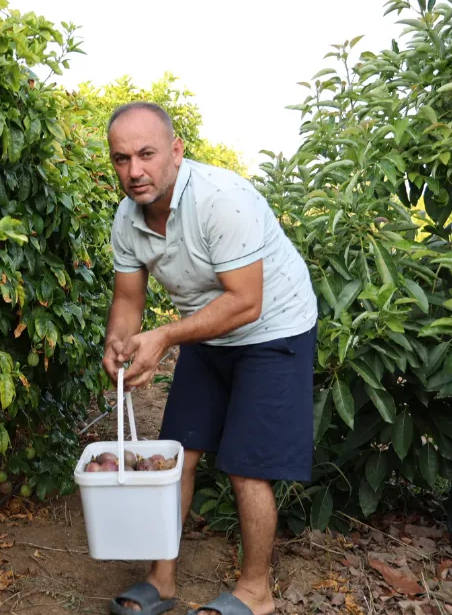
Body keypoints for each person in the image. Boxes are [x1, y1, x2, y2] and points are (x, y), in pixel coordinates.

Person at [102, 102, 318, 615]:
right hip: (209, 329)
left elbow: (246, 301)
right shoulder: (128, 219)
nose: (134, 171)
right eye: (121, 158)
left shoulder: (223, 200)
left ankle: (255, 592)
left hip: (273, 329)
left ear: (176, 150)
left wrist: (165, 338)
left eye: (147, 154)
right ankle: (162, 580)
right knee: (176, 454)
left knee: (247, 467)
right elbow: (130, 300)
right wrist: (121, 342)